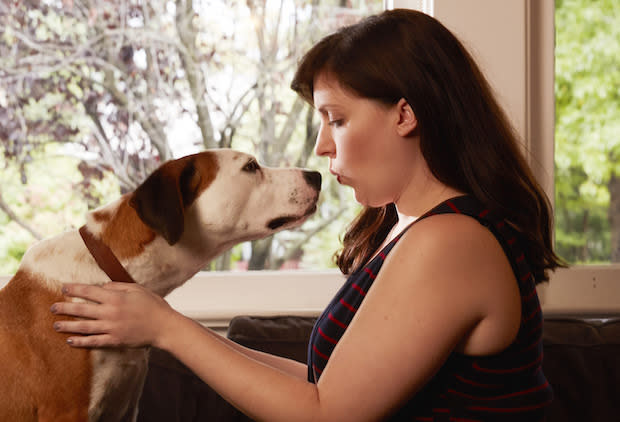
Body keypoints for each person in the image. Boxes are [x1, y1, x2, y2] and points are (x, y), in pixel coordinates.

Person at [51, 8, 564, 421]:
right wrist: (166, 325)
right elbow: (326, 387)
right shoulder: (415, 230)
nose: (320, 147)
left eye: (336, 119)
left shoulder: (452, 241)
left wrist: (165, 329)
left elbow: (329, 413)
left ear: (405, 115)